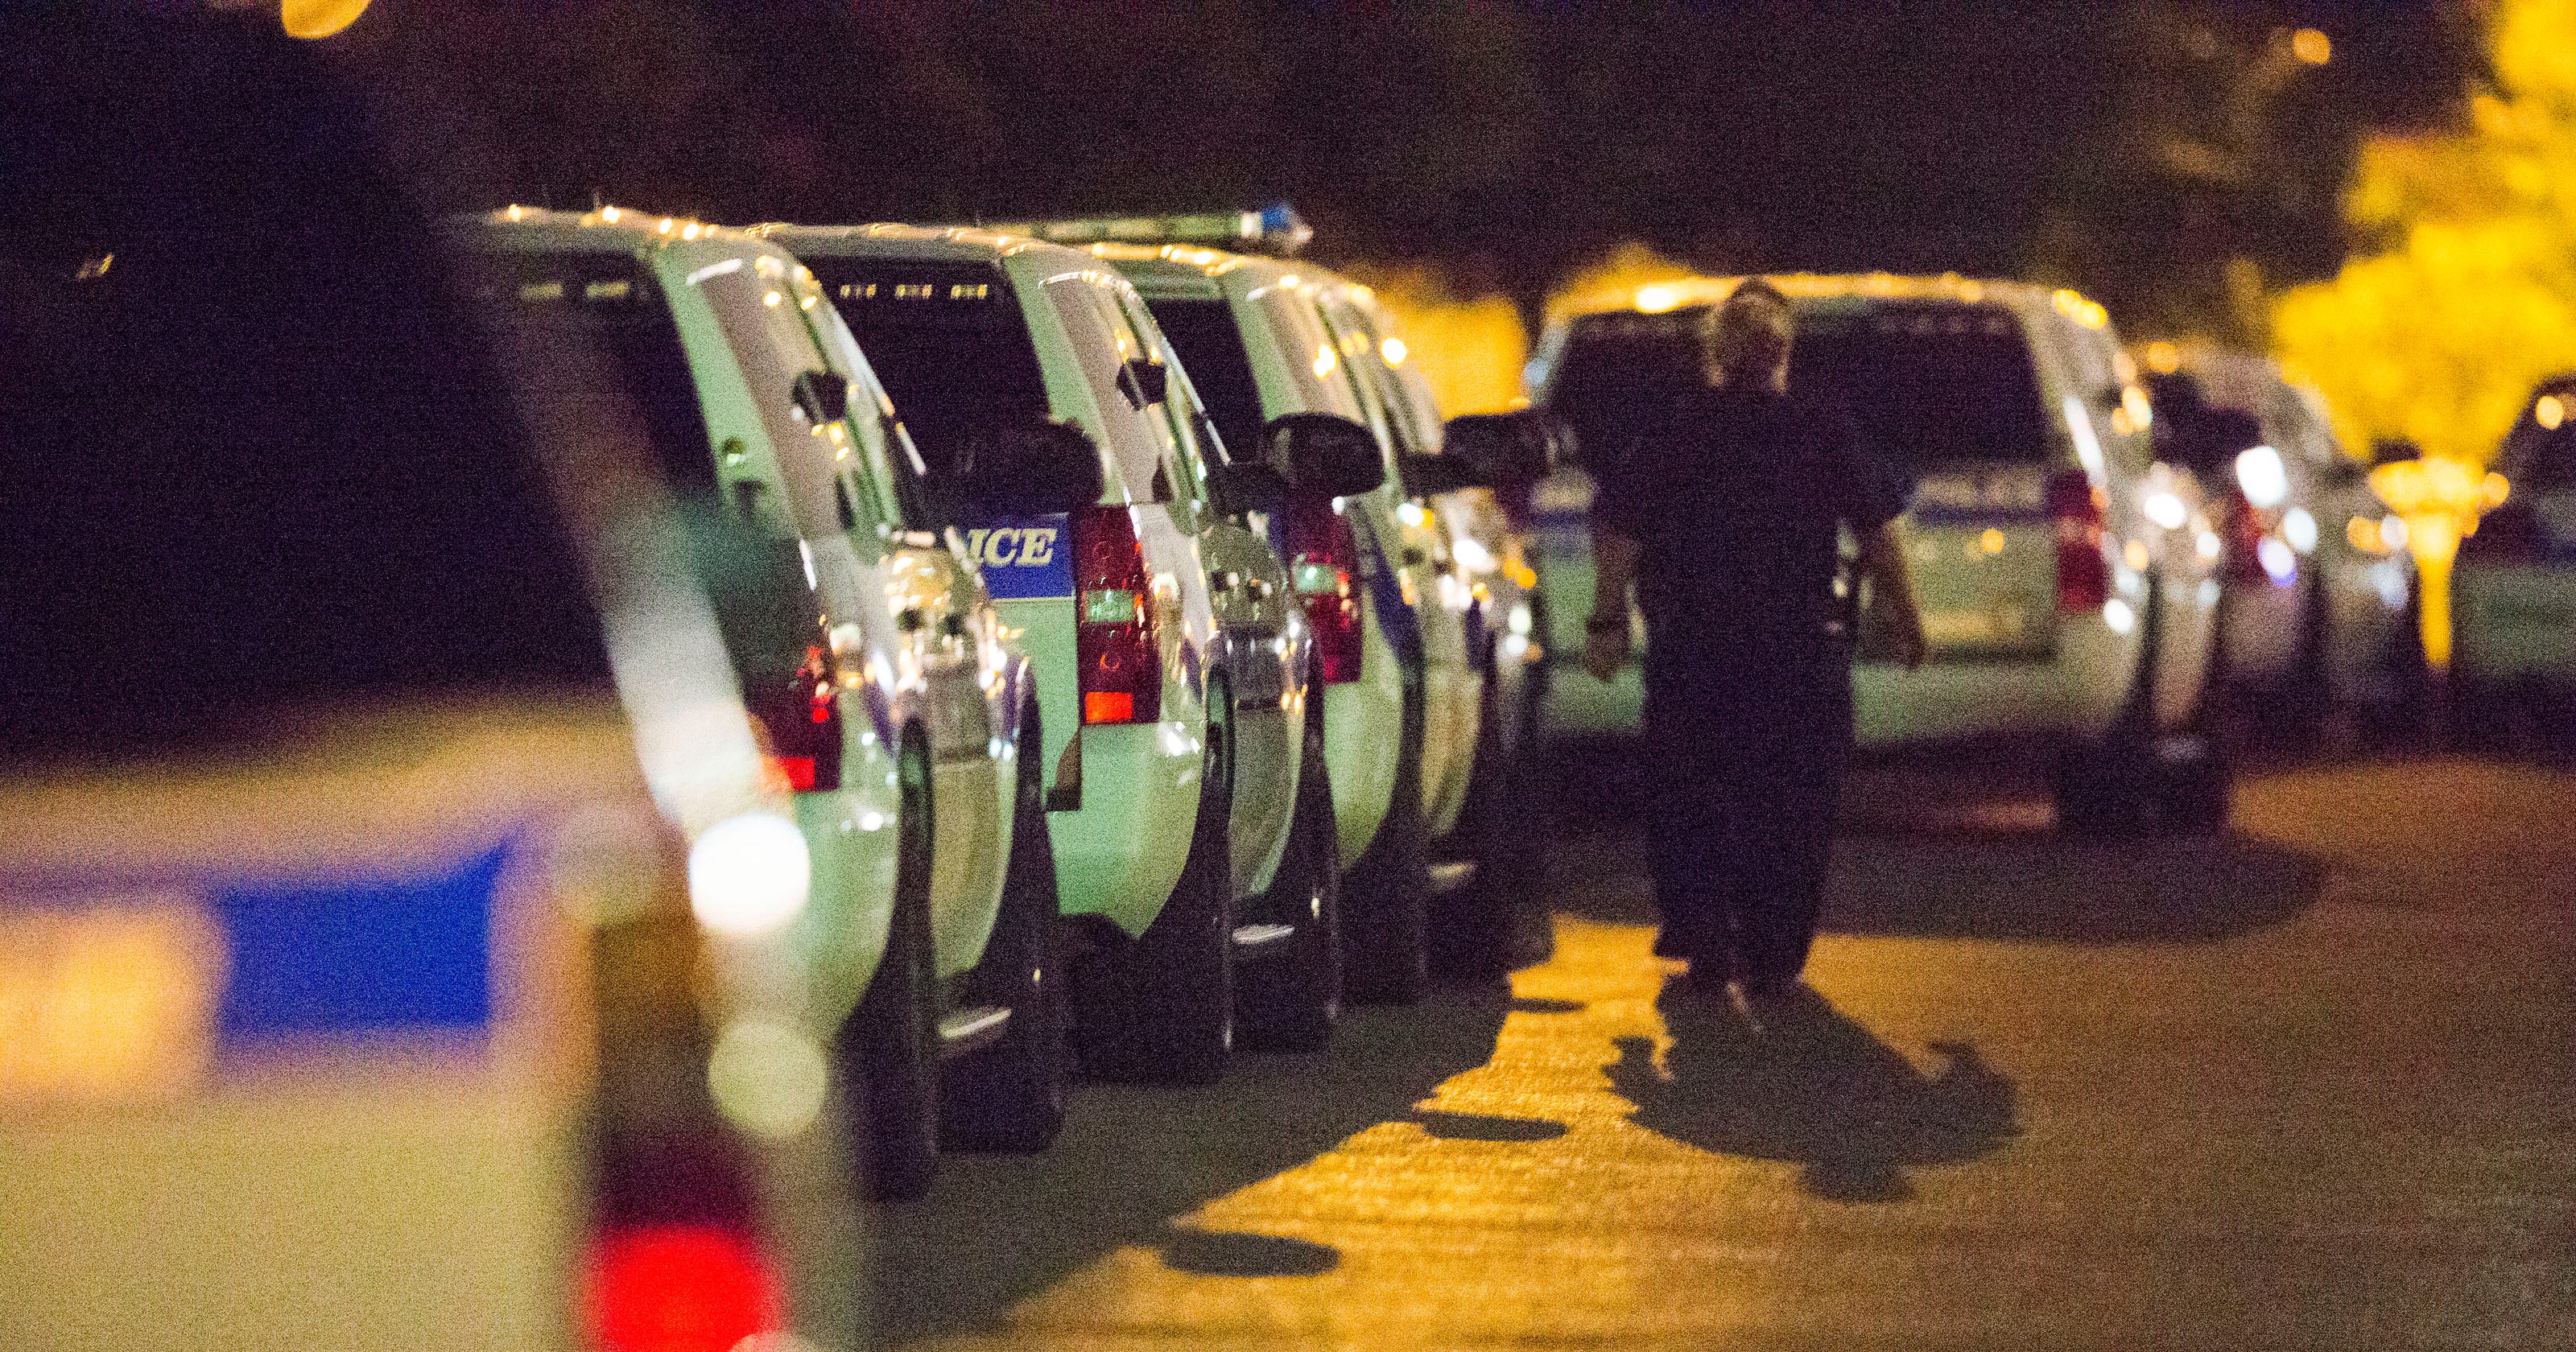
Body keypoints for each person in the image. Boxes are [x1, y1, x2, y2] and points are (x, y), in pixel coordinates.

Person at [1582, 278, 1926, 999]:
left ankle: (1702, 922)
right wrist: (1904, 612)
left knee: (1686, 789)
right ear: (1783, 353)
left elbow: (1617, 525)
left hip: (1693, 645)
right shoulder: (1820, 425)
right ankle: (1774, 944)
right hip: (1797, 649)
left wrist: (1608, 618)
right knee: (1796, 797)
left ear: (1716, 353)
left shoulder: (1678, 428)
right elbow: (1877, 530)